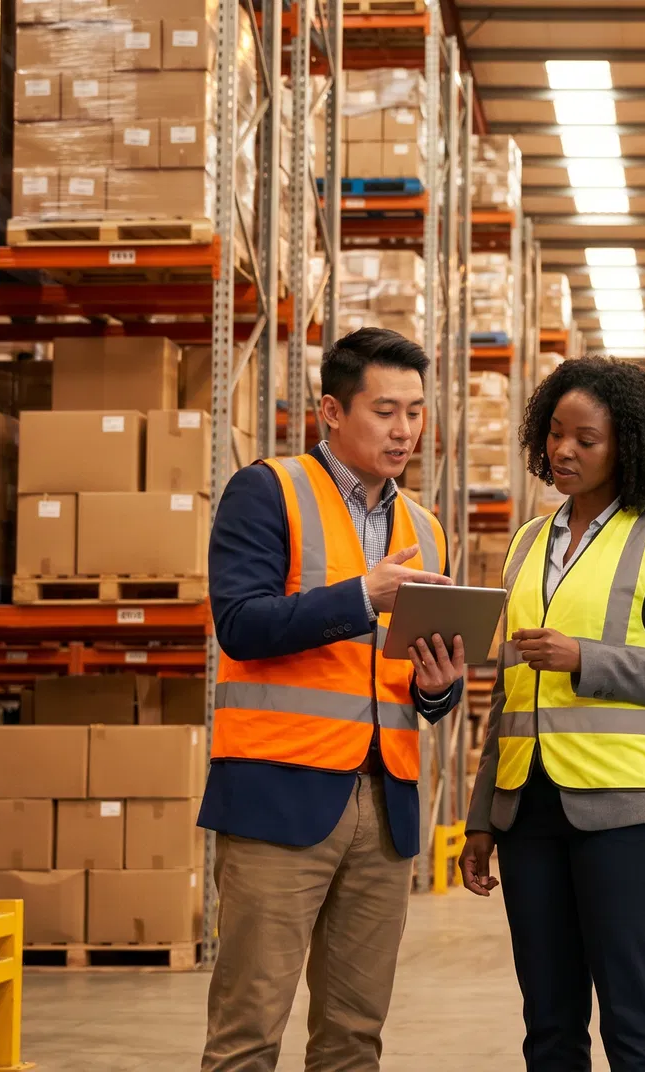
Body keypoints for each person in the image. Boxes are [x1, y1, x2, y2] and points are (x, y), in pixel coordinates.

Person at [198, 328, 468, 1071]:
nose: (405, 430)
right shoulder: (268, 490)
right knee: (249, 1030)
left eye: (415, 412)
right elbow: (241, 625)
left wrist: (437, 688)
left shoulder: (427, 529)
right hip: (279, 796)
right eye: (385, 410)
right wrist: (361, 595)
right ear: (331, 411)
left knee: (355, 1036)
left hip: (385, 807)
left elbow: (409, 680)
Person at [458, 356, 645, 1072]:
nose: (563, 450)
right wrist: (483, 818)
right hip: (528, 811)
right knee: (547, 1021)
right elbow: (510, 697)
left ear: (627, 445)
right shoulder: (524, 545)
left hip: (628, 814)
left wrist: (587, 659)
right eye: (554, 434)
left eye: (587, 439)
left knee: (631, 1016)